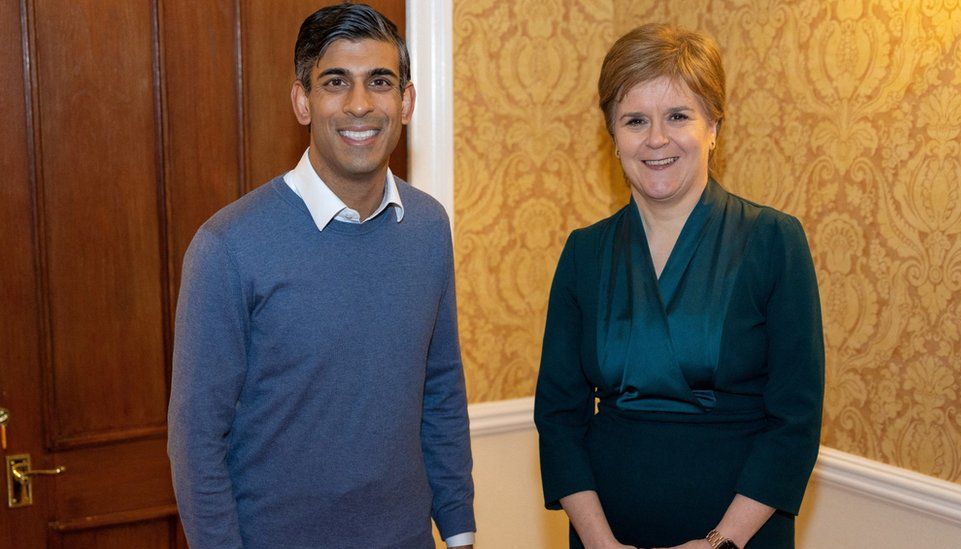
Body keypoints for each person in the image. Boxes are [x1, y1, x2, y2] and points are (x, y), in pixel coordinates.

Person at [167, 4, 475, 548]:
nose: (360, 105)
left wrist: (459, 529)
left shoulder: (428, 225)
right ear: (302, 101)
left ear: (406, 101)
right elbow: (196, 444)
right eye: (336, 82)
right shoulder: (228, 247)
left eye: (380, 82)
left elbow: (441, 389)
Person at [534, 23, 823, 549]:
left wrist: (719, 543)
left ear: (714, 125)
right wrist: (600, 543)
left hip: (740, 538)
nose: (656, 139)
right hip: (604, 536)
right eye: (635, 120)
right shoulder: (584, 253)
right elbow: (558, 418)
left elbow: (795, 422)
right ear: (613, 137)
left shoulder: (773, 242)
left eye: (678, 116)